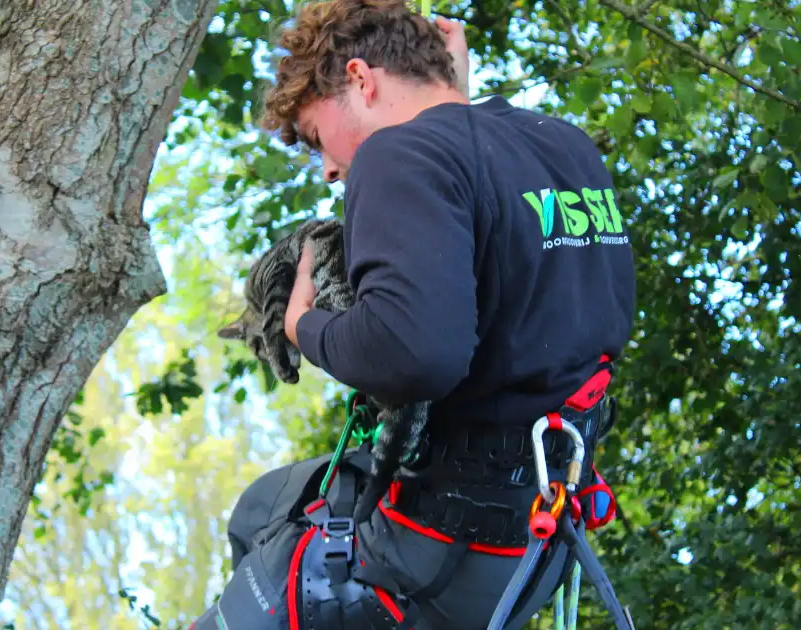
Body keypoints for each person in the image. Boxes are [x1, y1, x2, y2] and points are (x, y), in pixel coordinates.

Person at [191, 0, 636, 628]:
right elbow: (504, 246)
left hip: (443, 551)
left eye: (319, 138)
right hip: (540, 543)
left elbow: (413, 356)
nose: (328, 169)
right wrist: (452, 97)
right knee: (263, 505)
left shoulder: (398, 155)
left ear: (361, 80)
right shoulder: (561, 145)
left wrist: (304, 327)